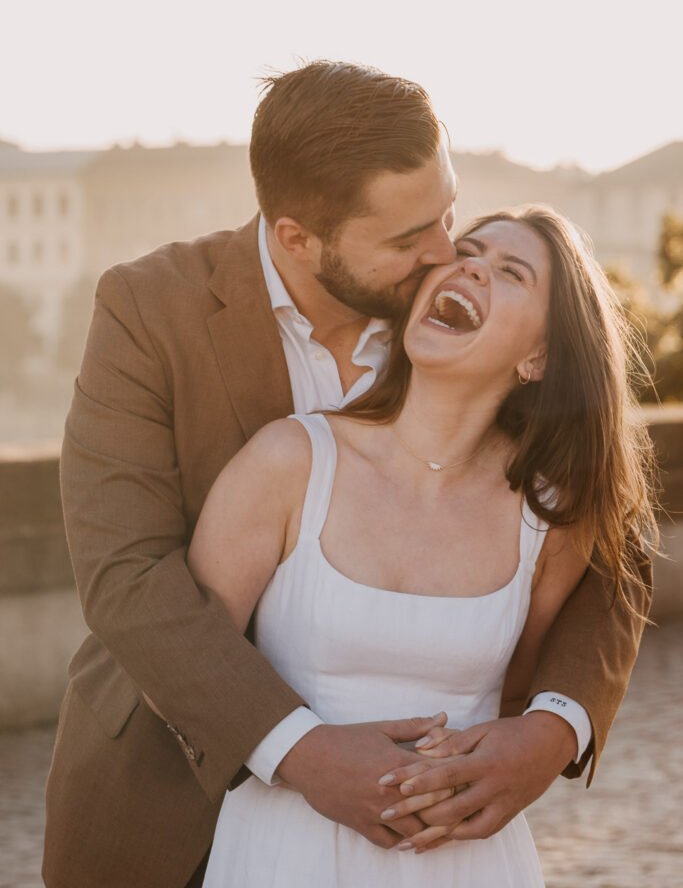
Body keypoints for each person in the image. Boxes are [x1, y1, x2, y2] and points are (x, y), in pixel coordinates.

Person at [44, 61, 652, 888]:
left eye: (447, 213)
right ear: (298, 237)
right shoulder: (149, 309)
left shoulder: (443, 300)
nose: (444, 252)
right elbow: (126, 576)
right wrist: (299, 751)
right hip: (167, 787)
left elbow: (606, 544)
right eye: (411, 239)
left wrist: (553, 729)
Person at [189, 205, 657, 886]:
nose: (471, 266)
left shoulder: (548, 518)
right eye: (465, 251)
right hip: (281, 853)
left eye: (510, 272)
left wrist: (541, 735)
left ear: (538, 356)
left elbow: (521, 689)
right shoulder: (288, 461)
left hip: (466, 863)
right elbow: (191, 657)